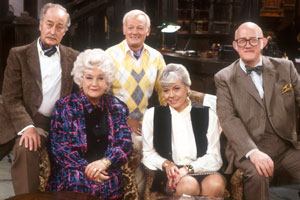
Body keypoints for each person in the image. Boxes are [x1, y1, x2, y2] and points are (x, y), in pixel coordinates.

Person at [214, 22, 300, 200]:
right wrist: (253, 152)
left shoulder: (286, 67)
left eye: (253, 40)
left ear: (264, 43)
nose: (247, 45)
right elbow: (228, 119)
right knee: (258, 174)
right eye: (242, 41)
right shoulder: (224, 77)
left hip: (285, 146)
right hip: (249, 149)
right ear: (235, 45)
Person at [0, 3, 79, 195]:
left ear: (65, 31)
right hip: (15, 118)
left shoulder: (75, 58)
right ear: (40, 25)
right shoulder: (18, 54)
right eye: (49, 24)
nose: (53, 30)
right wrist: (27, 127)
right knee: (24, 138)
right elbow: (10, 98)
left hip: (51, 124)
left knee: (26, 148)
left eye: (59, 26)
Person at [47, 49, 133, 199]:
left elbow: (125, 143)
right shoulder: (65, 106)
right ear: (81, 79)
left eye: (100, 78)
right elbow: (59, 148)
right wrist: (87, 168)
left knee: (110, 182)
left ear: (107, 82)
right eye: (89, 77)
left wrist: (105, 163)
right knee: (79, 181)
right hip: (73, 170)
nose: (94, 84)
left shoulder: (116, 107)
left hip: (106, 170)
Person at [142, 63, 226, 198]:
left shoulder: (207, 114)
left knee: (215, 185)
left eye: (176, 88)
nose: (171, 95)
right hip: (171, 173)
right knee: (189, 186)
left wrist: (188, 169)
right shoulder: (152, 115)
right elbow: (148, 153)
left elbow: (214, 157)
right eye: (166, 90)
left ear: (187, 87)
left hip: (203, 170)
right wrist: (166, 164)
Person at [105, 9, 166, 195]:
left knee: (162, 144)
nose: (134, 32)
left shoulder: (156, 58)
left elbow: (164, 93)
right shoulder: (109, 55)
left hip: (144, 123)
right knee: (136, 146)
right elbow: (101, 96)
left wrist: (162, 121)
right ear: (123, 29)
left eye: (140, 28)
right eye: (130, 27)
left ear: (148, 31)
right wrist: (124, 119)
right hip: (115, 123)